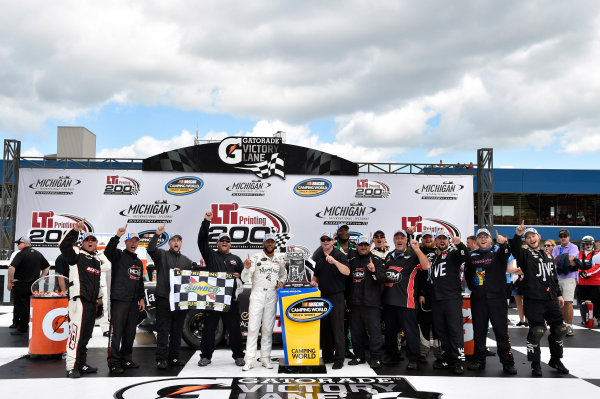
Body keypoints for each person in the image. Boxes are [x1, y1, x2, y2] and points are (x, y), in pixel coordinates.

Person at [509, 221, 569, 376]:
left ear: (539, 237)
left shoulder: (548, 254)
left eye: (533, 235)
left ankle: (556, 359)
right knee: (537, 331)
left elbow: (553, 277)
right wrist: (517, 235)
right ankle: (536, 364)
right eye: (527, 237)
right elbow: (515, 249)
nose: (531, 239)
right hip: (533, 300)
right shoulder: (525, 254)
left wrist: (559, 294)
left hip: (551, 299)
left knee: (560, 329)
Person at [464, 229, 517, 374]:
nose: (483, 239)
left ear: (490, 239)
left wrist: (504, 243)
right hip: (479, 299)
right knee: (479, 331)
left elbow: (507, 253)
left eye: (485, 237)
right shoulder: (471, 255)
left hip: (497, 299)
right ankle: (479, 360)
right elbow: (467, 274)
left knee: (501, 332)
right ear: (476, 240)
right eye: (480, 237)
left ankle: (507, 362)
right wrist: (474, 288)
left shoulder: (498, 251)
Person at [197, 211, 245, 367]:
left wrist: (241, 275)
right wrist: (206, 222)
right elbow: (201, 241)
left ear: (230, 244)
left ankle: (238, 356)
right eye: (221, 240)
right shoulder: (210, 255)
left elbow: (244, 278)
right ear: (217, 243)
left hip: (231, 299)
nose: (224, 242)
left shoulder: (236, 259)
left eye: (227, 240)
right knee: (209, 329)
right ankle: (205, 356)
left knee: (234, 329)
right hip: (213, 299)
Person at [148, 223, 195, 369]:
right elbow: (150, 249)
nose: (176, 242)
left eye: (178, 240)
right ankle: (161, 359)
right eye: (173, 240)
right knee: (163, 330)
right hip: (164, 298)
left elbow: (190, 282)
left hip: (179, 300)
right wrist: (157, 234)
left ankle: (174, 358)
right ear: (169, 243)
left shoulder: (187, 261)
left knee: (177, 330)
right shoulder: (161, 254)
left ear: (181, 243)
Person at [382, 230, 430, 370]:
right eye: (396, 238)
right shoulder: (389, 256)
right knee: (390, 332)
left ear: (406, 241)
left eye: (402, 238)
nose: (399, 240)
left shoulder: (414, 254)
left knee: (410, 332)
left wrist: (417, 249)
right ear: (393, 240)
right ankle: (392, 355)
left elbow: (426, 266)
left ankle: (413, 358)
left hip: (407, 302)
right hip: (389, 302)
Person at [60, 221, 103, 378]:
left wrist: (99, 299)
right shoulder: (76, 255)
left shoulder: (97, 260)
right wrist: (75, 230)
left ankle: (82, 364)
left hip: (91, 302)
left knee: (86, 335)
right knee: (76, 334)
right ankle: (71, 367)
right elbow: (63, 246)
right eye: (87, 240)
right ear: (82, 242)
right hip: (79, 300)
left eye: (93, 240)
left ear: (97, 243)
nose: (90, 242)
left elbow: (98, 282)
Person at [241, 234, 287, 371]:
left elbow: (283, 275)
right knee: (253, 328)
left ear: (275, 244)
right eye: (268, 242)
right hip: (257, 294)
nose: (270, 244)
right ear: (263, 243)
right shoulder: (255, 258)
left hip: (272, 295)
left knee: (267, 329)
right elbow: (244, 278)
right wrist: (247, 268)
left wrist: (281, 282)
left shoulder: (280, 259)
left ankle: (265, 358)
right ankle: (249, 360)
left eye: (272, 242)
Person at [103, 226, 146, 374]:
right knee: (117, 333)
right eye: (131, 241)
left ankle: (126, 359)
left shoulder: (139, 262)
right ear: (126, 242)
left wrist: (141, 298)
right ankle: (114, 362)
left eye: (136, 241)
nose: (134, 244)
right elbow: (107, 252)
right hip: (119, 301)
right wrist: (116, 236)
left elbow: (140, 282)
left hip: (133, 302)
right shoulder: (118, 255)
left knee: (130, 333)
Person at [429, 231, 468, 375]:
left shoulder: (453, 254)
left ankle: (459, 361)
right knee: (441, 331)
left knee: (455, 330)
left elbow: (465, 256)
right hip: (437, 300)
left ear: (448, 241)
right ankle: (447, 358)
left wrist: (460, 244)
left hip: (451, 298)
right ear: (436, 241)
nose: (442, 241)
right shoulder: (434, 257)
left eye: (444, 238)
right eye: (439, 238)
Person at [310, 232, 350, 369]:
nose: (326, 241)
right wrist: (314, 282)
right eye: (323, 239)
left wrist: (334, 262)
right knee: (325, 328)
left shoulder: (339, 255)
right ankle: (327, 355)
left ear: (333, 241)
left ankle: (339, 358)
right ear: (321, 242)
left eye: (328, 239)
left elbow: (347, 272)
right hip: (323, 296)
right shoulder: (320, 259)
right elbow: (316, 276)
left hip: (336, 296)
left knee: (337, 328)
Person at [347, 235, 385, 369]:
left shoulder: (377, 260)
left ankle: (376, 358)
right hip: (355, 304)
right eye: (361, 244)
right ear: (356, 246)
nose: (363, 246)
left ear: (370, 245)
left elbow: (382, 278)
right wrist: (347, 298)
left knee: (375, 333)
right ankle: (359, 356)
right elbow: (347, 281)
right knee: (356, 332)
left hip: (371, 304)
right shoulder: (351, 261)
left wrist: (374, 271)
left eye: (366, 244)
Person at [7, 236, 50, 335]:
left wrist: (10, 282)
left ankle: (22, 328)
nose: (17, 245)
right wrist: (40, 278)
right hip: (33, 286)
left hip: (21, 284)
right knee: (27, 306)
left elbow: (11, 268)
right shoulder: (38, 254)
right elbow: (47, 266)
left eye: (19, 243)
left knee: (22, 306)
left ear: (25, 244)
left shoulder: (21, 254)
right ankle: (22, 325)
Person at [414, 230, 441, 362]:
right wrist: (420, 293)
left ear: (434, 239)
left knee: (438, 322)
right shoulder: (417, 252)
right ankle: (424, 349)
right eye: (425, 238)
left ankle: (438, 349)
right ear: (421, 240)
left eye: (430, 237)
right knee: (423, 322)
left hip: (439, 294)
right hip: (424, 294)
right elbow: (418, 276)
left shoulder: (441, 251)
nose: (428, 239)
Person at [551, 229, 579, 336]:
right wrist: (564, 259)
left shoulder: (573, 247)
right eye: (561, 236)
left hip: (569, 277)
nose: (563, 238)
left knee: (568, 302)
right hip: (557, 277)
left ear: (569, 237)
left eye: (565, 236)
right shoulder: (557, 248)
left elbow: (571, 258)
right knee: (560, 302)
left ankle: (569, 326)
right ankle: (563, 324)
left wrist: (561, 259)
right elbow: (554, 260)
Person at [578, 236, 600, 326]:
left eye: (590, 243)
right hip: (581, 283)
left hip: (595, 282)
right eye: (586, 243)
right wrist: (580, 272)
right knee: (582, 301)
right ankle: (585, 319)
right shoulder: (578, 253)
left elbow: (598, 267)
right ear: (583, 245)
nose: (588, 245)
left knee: (597, 301)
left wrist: (586, 273)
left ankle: (599, 318)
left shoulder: (598, 254)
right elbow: (574, 264)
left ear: (593, 244)